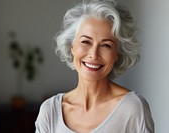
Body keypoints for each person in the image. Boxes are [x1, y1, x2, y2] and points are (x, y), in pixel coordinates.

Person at [35, 0, 154, 132]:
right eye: (86, 42)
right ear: (72, 46)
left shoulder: (132, 108)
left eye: (106, 45)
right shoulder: (50, 112)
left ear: (118, 54)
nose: (93, 54)